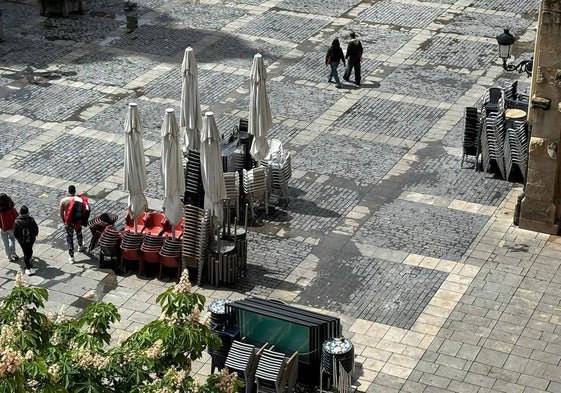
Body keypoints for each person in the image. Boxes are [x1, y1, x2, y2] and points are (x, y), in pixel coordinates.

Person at [59, 185, 90, 263]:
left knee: (69, 238)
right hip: (77, 221)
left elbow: (61, 213)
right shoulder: (79, 200)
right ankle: (80, 246)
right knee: (79, 232)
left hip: (69, 221)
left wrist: (64, 221)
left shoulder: (64, 201)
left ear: (68, 191)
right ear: (75, 191)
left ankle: (71, 257)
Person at [13, 206, 39, 276]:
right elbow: (36, 230)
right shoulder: (31, 220)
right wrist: (34, 236)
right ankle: (29, 262)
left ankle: (28, 268)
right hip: (31, 239)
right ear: (27, 212)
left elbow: (15, 233)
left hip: (22, 241)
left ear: (20, 212)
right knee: (29, 250)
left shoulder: (17, 221)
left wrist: (19, 239)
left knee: (25, 252)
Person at [0, 193, 20, 262]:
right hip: (11, 227)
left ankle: (9, 257)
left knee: (5, 243)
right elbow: (16, 216)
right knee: (12, 240)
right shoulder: (10, 208)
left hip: (3, 228)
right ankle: (13, 253)